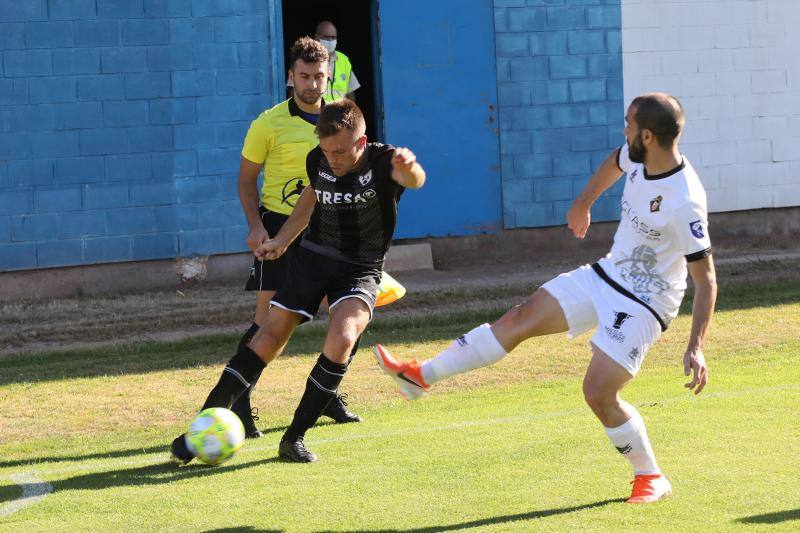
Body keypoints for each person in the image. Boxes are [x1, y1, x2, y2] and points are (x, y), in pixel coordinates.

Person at [373, 93, 717, 504]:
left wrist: (696, 346)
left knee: (598, 393)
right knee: (520, 318)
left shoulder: (685, 202)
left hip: (645, 303)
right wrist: (582, 204)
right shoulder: (637, 154)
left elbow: (706, 279)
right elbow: (614, 162)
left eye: (628, 124)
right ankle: (420, 377)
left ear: (648, 134)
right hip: (606, 275)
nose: (623, 130)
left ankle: (651, 475)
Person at [171, 99, 425, 464]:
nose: (333, 159)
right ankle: (198, 432)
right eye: (327, 151)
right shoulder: (317, 159)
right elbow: (310, 197)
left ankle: (293, 438)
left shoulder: (384, 162)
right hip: (313, 259)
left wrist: (411, 166)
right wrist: (280, 242)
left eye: (340, 151)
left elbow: (414, 181)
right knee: (268, 337)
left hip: (360, 267)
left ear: (361, 141)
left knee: (344, 336)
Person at [231, 36, 361, 439]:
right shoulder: (267, 123)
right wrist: (256, 226)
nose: (311, 84)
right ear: (291, 76)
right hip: (278, 230)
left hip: (329, 232)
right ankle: (239, 404)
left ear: (328, 77)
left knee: (347, 320)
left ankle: (325, 396)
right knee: (266, 322)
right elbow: (246, 181)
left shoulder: (343, 120)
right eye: (304, 76)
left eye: (319, 76)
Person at [287, 20, 360, 102]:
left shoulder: (344, 60)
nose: (330, 41)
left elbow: (351, 92)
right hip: (315, 112)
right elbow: (292, 93)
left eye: (333, 37)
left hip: (339, 113)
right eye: (326, 37)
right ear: (317, 38)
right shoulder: (303, 58)